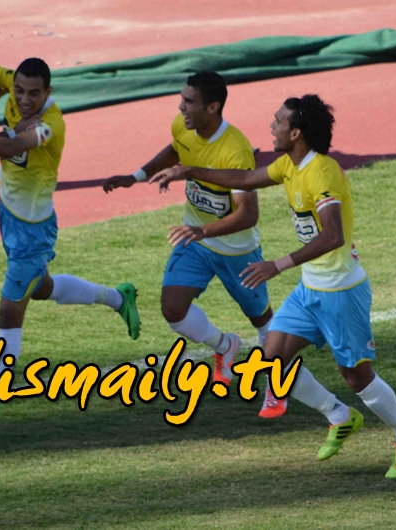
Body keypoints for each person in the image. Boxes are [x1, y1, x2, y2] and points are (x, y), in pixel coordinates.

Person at [150, 95, 396, 478]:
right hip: (310, 289)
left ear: (296, 132)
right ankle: (339, 415)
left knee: (356, 376)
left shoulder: (322, 173)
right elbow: (243, 180)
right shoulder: (288, 165)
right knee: (273, 359)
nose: (272, 126)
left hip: (341, 292)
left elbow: (333, 235)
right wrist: (188, 170)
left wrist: (277, 265)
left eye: (278, 121)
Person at [0, 51, 141, 436]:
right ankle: (118, 298)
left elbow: (13, 146)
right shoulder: (13, 82)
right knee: (41, 288)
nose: (24, 99)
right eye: (19, 91)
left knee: (9, 314)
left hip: (32, 230)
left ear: (48, 93)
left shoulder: (50, 126)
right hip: (9, 213)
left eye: (34, 94)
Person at [102, 72, 284, 416]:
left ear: (212, 107)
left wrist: (203, 231)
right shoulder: (183, 127)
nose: (181, 107)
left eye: (189, 101)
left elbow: (248, 215)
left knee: (261, 319)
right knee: (173, 309)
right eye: (181, 99)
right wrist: (135, 177)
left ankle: (278, 388)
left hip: (235, 250)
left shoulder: (235, 150)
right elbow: (175, 150)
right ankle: (224, 346)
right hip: (196, 241)